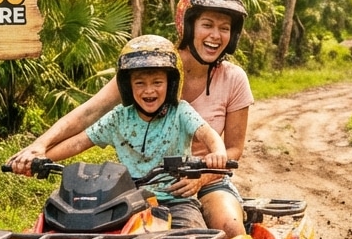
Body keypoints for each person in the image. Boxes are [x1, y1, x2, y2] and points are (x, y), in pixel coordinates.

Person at [8, 0, 253, 238]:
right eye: (207, 25)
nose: (215, 36)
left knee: (229, 228)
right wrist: (39, 150)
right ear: (188, 25)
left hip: (207, 178)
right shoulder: (154, 64)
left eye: (224, 28)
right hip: (142, 183)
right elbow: (89, 114)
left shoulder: (233, 79)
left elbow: (233, 149)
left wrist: (202, 176)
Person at [42, 35, 230, 228]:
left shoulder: (181, 112)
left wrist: (218, 153)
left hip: (176, 200)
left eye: (157, 82)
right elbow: (79, 142)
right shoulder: (119, 117)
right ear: (127, 85)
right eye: (140, 83)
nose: (149, 90)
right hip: (126, 200)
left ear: (171, 84)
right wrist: (42, 158)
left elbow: (207, 134)